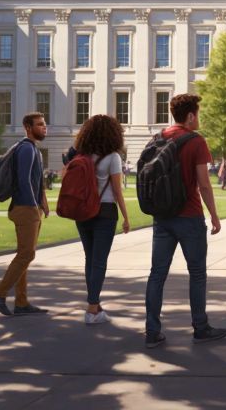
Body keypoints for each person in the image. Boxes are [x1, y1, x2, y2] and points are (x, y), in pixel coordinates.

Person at [145, 93, 226, 348]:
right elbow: (204, 183)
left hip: (162, 216)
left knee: (157, 274)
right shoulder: (196, 141)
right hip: (189, 215)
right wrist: (214, 214)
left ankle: (152, 331)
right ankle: (200, 327)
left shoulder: (159, 137)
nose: (199, 118)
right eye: (198, 113)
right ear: (191, 115)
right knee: (197, 274)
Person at [0, 113, 50, 318]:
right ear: (27, 127)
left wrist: (43, 202)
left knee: (24, 254)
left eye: (44, 124)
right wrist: (33, 205)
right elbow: (23, 181)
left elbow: (36, 180)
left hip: (30, 207)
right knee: (26, 254)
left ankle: (21, 302)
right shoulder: (26, 149)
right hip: (25, 208)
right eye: (39, 125)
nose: (44, 127)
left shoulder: (33, 149)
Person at [70, 114, 131, 325]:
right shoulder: (113, 158)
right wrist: (125, 216)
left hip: (82, 211)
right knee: (99, 261)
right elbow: (117, 191)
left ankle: (94, 303)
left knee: (90, 259)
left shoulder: (82, 156)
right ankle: (92, 309)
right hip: (104, 212)